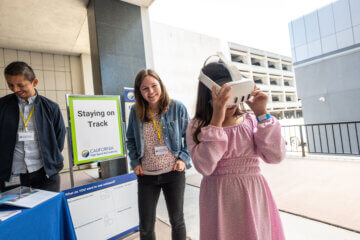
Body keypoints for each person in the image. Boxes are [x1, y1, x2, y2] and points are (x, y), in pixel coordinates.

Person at [186, 61, 286, 240]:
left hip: (254, 197)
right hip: (219, 201)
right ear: (208, 96)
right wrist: (216, 121)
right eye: (224, 97)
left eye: (234, 94)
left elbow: (275, 156)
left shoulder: (249, 120)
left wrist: (262, 113)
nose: (231, 103)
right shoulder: (197, 126)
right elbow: (205, 167)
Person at [126, 69, 191, 240]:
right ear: (139, 92)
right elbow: (130, 139)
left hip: (173, 173)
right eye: (145, 88)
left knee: (177, 220)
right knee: (146, 226)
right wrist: (135, 162)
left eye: (154, 86)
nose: (151, 92)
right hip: (146, 175)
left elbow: (191, 137)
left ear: (160, 84)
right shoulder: (136, 111)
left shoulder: (177, 107)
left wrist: (183, 158)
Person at [0, 61, 66, 193]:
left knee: (47, 210)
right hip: (12, 175)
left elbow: (59, 138)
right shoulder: (2, 106)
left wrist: (51, 159)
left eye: (20, 85)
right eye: (10, 85)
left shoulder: (51, 107)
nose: (15, 89)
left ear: (34, 82)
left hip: (45, 174)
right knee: (16, 212)